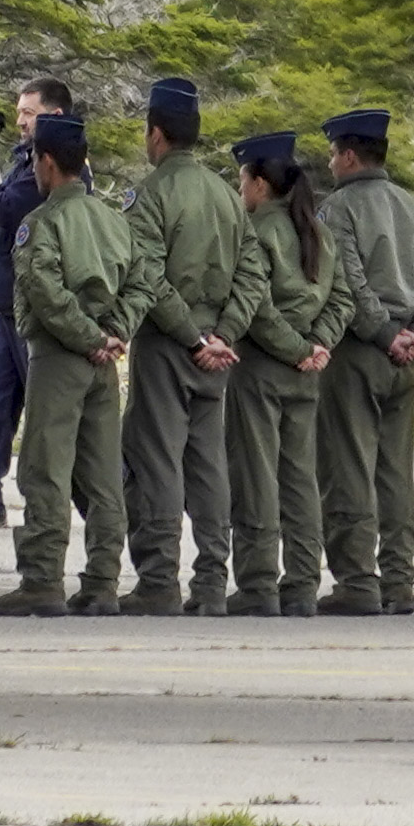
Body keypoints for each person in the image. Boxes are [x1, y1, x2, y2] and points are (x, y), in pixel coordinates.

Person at [121, 74, 268, 613]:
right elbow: (254, 272)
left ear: (156, 133)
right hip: (218, 353)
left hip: (168, 344)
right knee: (208, 464)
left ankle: (159, 578)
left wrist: (191, 335)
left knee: (157, 459)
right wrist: (224, 334)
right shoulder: (227, 195)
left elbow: (147, 277)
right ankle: (210, 583)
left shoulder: (152, 194)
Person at [0, 109, 137, 616]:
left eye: (34, 159)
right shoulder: (114, 221)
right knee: (102, 476)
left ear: (47, 161)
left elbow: (45, 292)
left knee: (45, 470)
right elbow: (143, 283)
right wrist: (115, 332)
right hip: (105, 363)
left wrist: (87, 336)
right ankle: (102, 582)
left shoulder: (41, 223)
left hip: (59, 357)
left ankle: (42, 579)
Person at [312, 106, 414, 613]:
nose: (329, 164)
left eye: (332, 154)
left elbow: (347, 281)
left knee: (348, 465)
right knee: (396, 471)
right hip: (405, 355)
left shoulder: (338, 209)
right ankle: (398, 579)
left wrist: (386, 334)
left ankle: (356, 580)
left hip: (359, 351)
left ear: (349, 155)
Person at [226, 129, 351, 618]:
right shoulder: (319, 232)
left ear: (260, 183)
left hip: (262, 368)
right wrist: (319, 345)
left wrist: (297, 348)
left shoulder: (256, 232)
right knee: (301, 481)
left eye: (242, 181)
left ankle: (258, 582)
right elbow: (342, 298)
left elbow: (255, 305)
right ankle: (302, 583)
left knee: (257, 476)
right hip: (308, 372)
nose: (241, 192)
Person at [0, 76, 71, 528]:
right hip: (10, 300)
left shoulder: (57, 164)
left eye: (29, 112)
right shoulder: (25, 158)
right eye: (20, 112)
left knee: (53, 410)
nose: (21, 120)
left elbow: (7, 210)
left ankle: (107, 492)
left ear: (56, 116)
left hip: (34, 303)